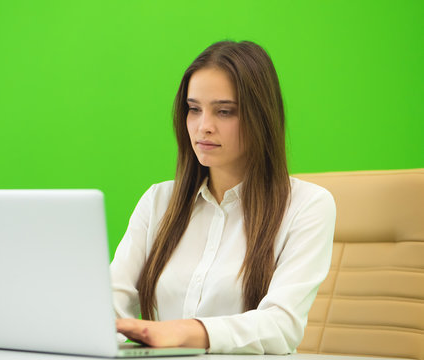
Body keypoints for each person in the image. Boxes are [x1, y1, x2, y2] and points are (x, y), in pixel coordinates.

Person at [110, 40, 336, 354]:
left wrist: (181, 332)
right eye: (194, 109)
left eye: (224, 112)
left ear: (261, 117)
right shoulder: (158, 200)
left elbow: (281, 326)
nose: (204, 127)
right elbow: (110, 301)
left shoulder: (308, 205)